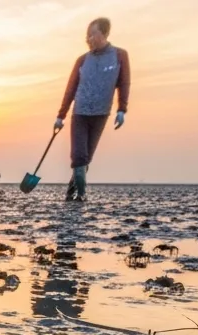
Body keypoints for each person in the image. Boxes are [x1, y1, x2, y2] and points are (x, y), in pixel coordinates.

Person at [55, 17, 130, 202]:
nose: (89, 39)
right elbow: (71, 87)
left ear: (104, 33)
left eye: (92, 34)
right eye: (87, 36)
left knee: (86, 157)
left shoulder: (120, 55)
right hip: (80, 112)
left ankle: (71, 192)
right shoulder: (82, 60)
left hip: (101, 113)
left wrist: (122, 109)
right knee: (79, 155)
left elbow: (124, 82)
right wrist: (61, 115)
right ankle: (81, 194)